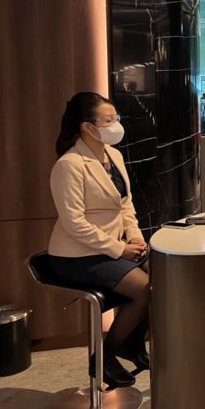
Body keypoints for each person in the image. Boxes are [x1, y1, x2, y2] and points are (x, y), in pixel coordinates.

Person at [48, 92, 150, 389]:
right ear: (87, 127)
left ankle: (131, 344)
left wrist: (134, 236)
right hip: (76, 255)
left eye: (115, 118)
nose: (116, 124)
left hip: (111, 247)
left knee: (165, 277)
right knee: (144, 291)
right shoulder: (69, 165)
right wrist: (120, 248)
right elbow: (74, 222)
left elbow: (125, 203)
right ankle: (104, 356)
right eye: (108, 120)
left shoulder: (113, 155)